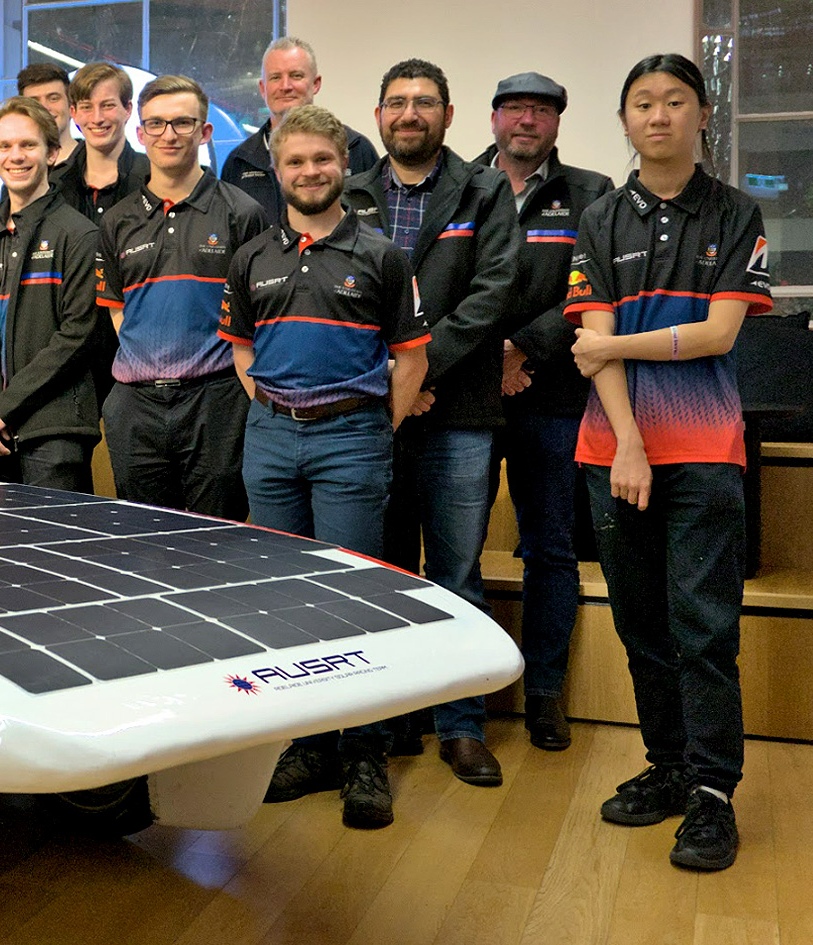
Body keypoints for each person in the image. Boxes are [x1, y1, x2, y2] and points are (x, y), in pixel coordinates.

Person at [566, 53, 769, 872]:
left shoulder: (737, 213)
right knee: (641, 624)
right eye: (643, 103)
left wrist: (616, 344)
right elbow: (591, 344)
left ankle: (714, 792)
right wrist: (629, 442)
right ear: (625, 119)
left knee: (704, 627)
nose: (659, 115)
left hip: (706, 449)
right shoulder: (600, 217)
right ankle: (670, 765)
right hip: (613, 450)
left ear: (702, 114)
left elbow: (719, 334)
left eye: (676, 101)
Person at [222, 104, 428, 829]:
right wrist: (280, 413)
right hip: (271, 439)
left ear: (344, 164)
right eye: (295, 161)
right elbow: (243, 351)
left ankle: (364, 754)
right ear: (276, 171)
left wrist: (368, 427)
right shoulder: (250, 257)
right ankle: (309, 747)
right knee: (286, 599)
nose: (309, 172)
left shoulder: (382, 256)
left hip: (353, 438)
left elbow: (411, 359)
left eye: (321, 159)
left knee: (352, 597)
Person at [341, 59, 520, 786]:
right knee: (381, 575)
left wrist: (417, 370)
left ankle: (462, 725)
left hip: (458, 411)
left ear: (448, 114)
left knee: (455, 576)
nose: (409, 113)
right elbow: (337, 299)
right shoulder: (351, 191)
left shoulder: (484, 190)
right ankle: (386, 721)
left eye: (423, 102)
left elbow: (493, 290)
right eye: (396, 102)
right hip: (373, 414)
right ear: (378, 116)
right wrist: (392, 381)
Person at [475, 72, 614, 751]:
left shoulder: (592, 193)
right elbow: (439, 284)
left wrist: (523, 348)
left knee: (550, 549)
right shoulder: (460, 185)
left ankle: (545, 693)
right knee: (457, 551)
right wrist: (489, 355)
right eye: (514, 109)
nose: (526, 120)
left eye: (540, 110)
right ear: (493, 117)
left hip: (555, 398)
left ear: (557, 122)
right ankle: (460, 699)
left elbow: (592, 290)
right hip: (466, 400)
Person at [95, 75, 267, 519]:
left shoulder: (242, 213)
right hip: (136, 407)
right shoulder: (116, 221)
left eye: (182, 122)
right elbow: (118, 312)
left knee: (219, 538)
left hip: (217, 402)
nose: (168, 134)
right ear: (140, 133)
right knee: (142, 537)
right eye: (156, 123)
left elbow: (258, 316)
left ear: (205, 131)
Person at [0, 97, 103, 491]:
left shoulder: (79, 235)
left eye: (28, 145)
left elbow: (76, 337)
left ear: (52, 153)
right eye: (5, 146)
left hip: (53, 432)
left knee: (53, 534)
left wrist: (2, 409)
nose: (15, 156)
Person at [223, 36, 381, 220]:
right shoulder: (239, 161)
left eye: (296, 76)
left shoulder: (356, 148)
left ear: (316, 84)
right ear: (263, 88)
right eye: (275, 77)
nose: (285, 86)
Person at [53, 61, 150, 221]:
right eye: (86, 107)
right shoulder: (54, 185)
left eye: (107, 106)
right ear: (73, 113)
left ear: (128, 109)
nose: (97, 118)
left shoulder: (153, 180)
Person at [16, 61, 79, 168]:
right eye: (34, 101)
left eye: (53, 98)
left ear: (71, 106)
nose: (44, 107)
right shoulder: (16, 166)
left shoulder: (93, 162)